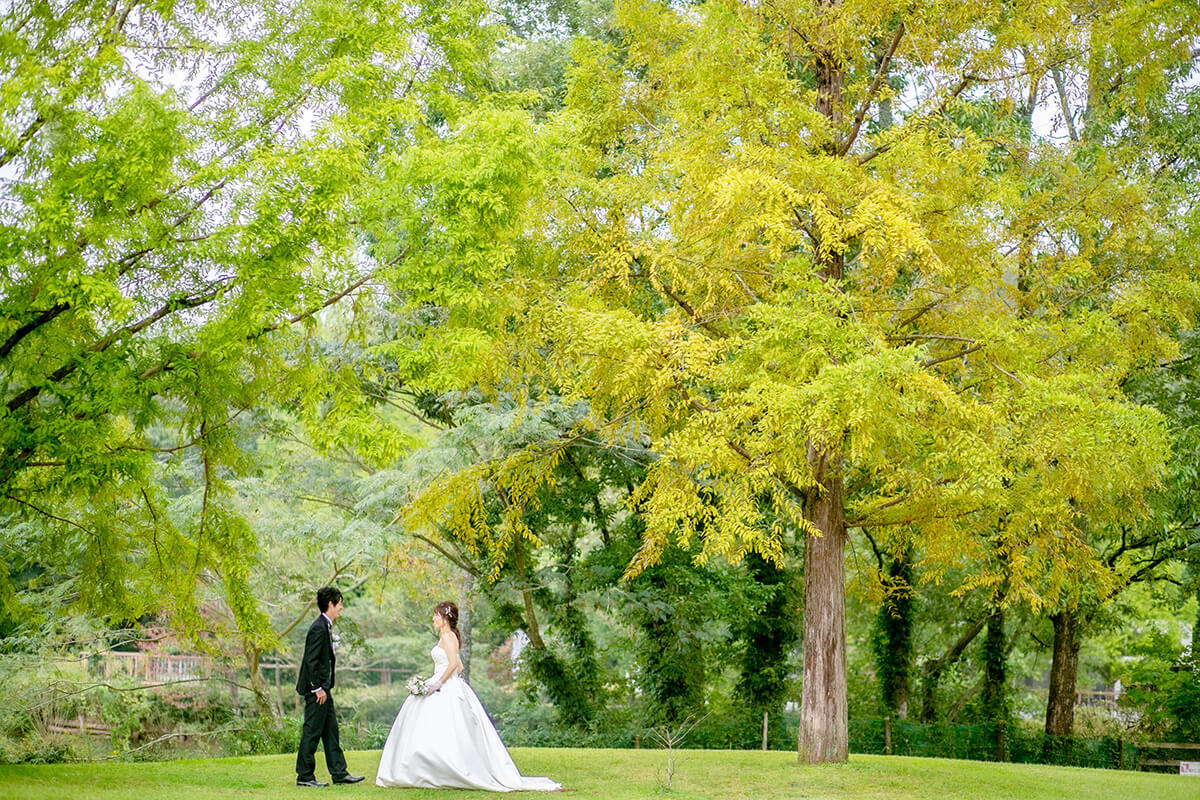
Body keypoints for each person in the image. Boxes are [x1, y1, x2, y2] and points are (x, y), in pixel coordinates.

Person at [376, 601, 562, 791]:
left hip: (444, 685)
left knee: (443, 728)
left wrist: (438, 683)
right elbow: (461, 666)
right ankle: (430, 769)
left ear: (445, 618)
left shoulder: (448, 637)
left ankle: (436, 770)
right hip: (446, 683)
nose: (433, 618)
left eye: (436, 615)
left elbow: (453, 666)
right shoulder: (448, 637)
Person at [295, 586, 364, 787]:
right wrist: (316, 688)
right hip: (317, 691)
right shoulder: (318, 627)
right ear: (330, 604)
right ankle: (305, 776)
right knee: (312, 731)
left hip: (324, 689)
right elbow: (310, 661)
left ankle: (339, 773)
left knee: (331, 731)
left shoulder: (325, 626)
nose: (341, 608)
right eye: (339, 603)